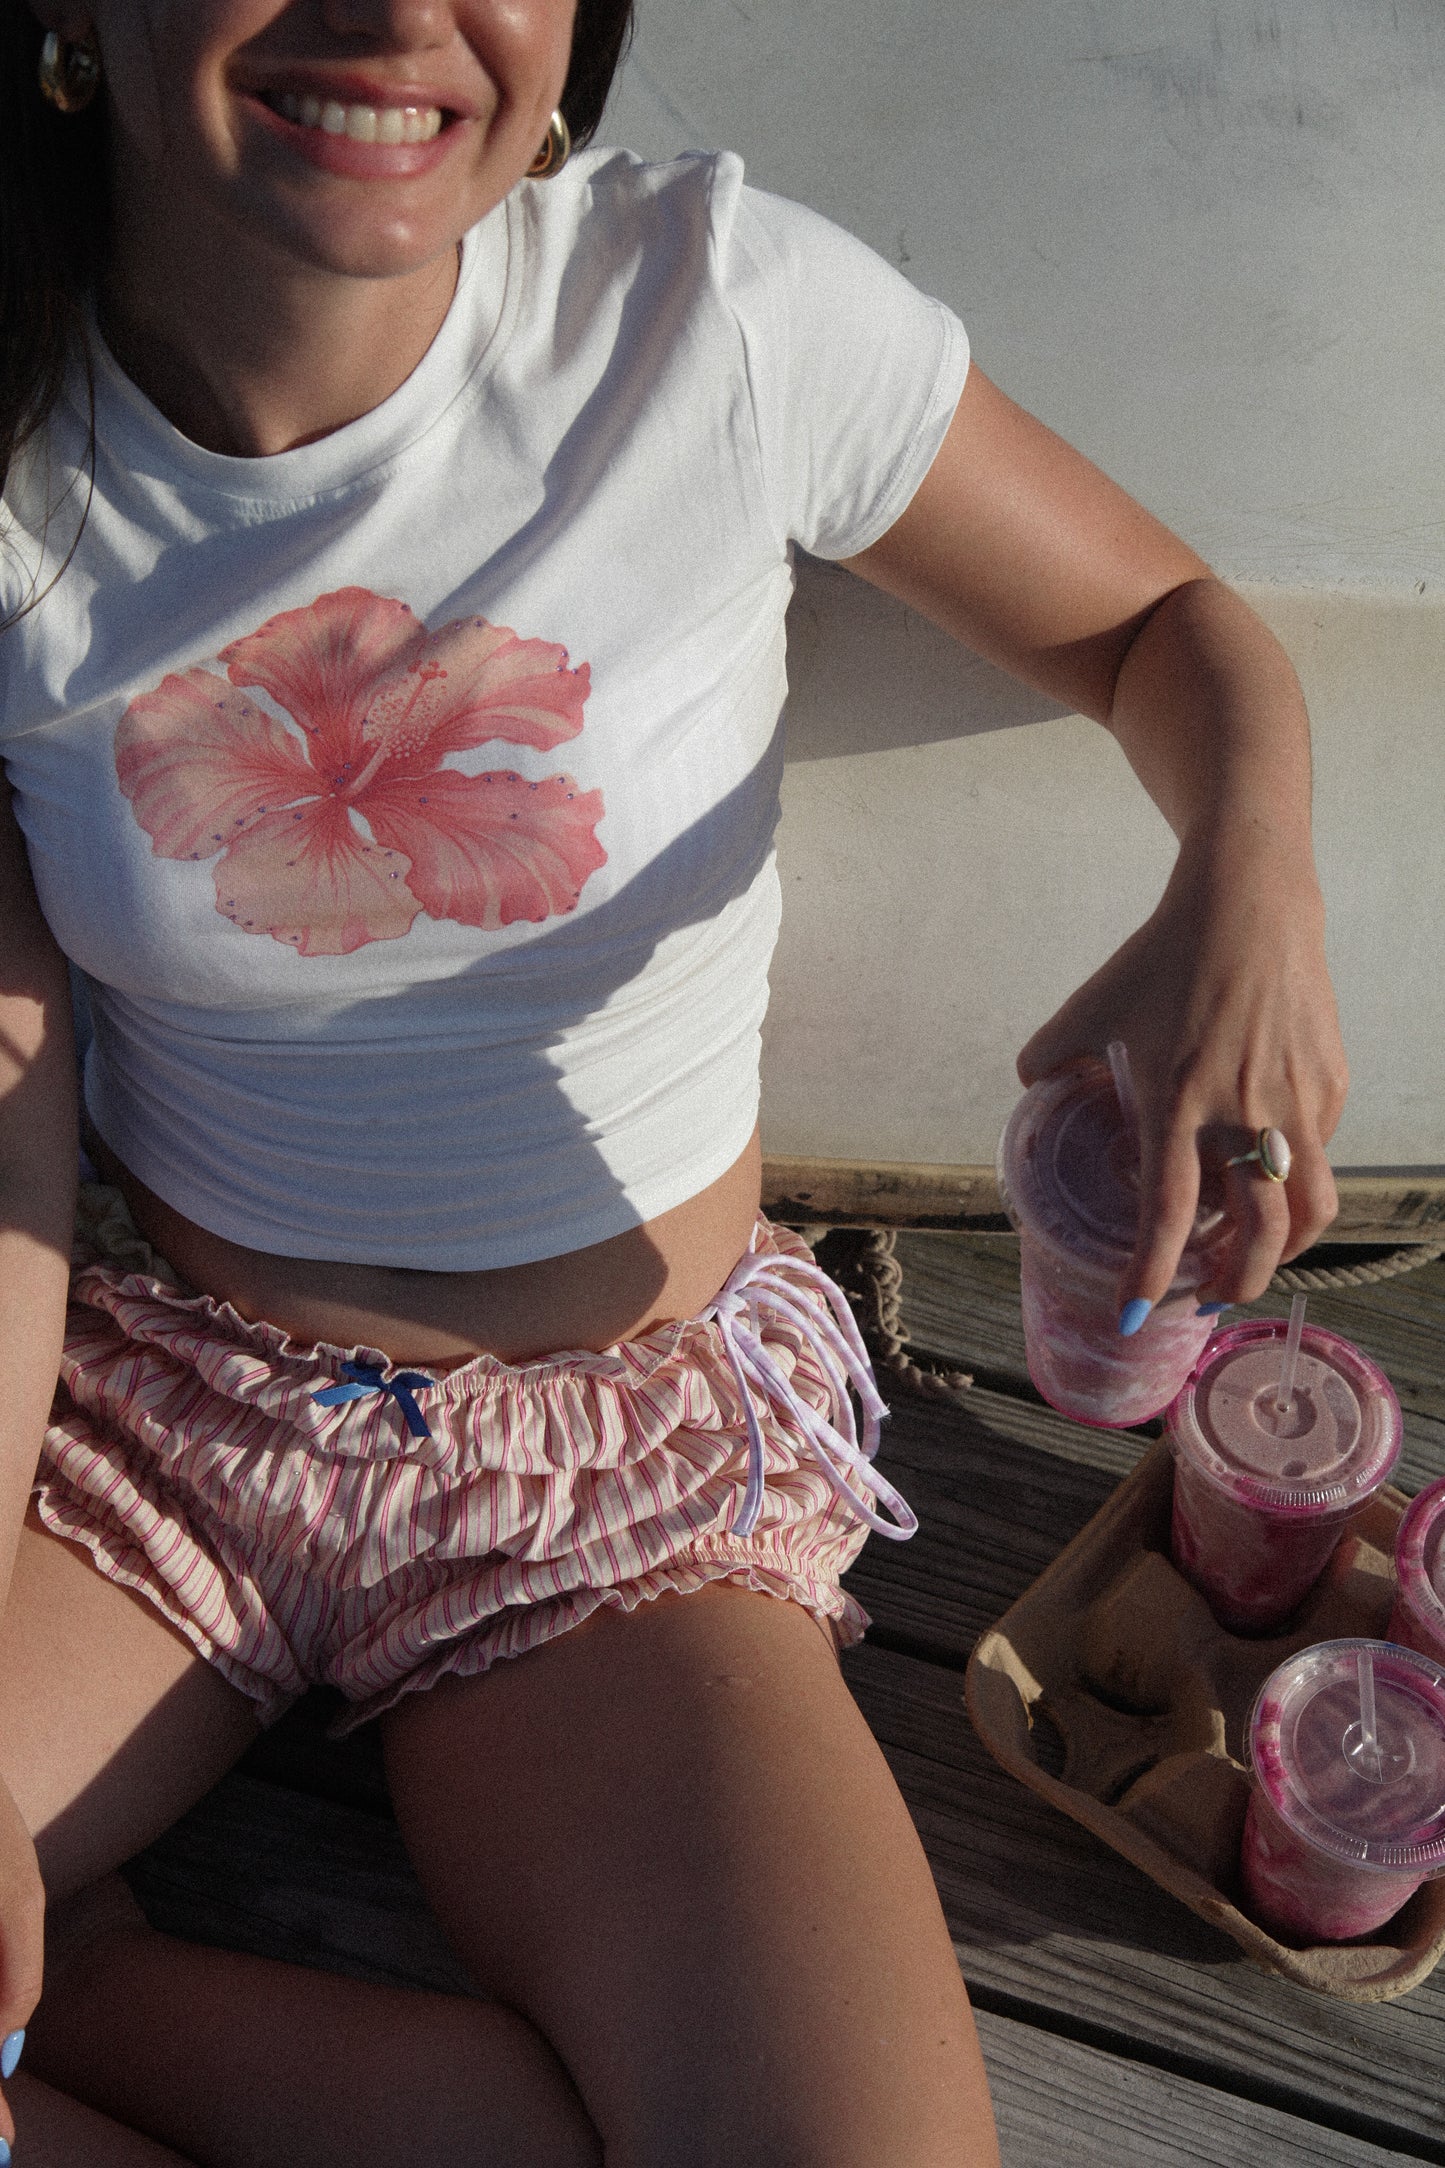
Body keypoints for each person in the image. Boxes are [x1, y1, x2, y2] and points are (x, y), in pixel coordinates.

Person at [0, 2, 1347, 2162]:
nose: (395, 10)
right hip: (167, 1408)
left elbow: (1158, 619)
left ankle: (105, 2003)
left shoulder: (705, 311)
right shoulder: (24, 451)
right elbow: (8, 1122)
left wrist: (1248, 886)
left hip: (615, 1477)